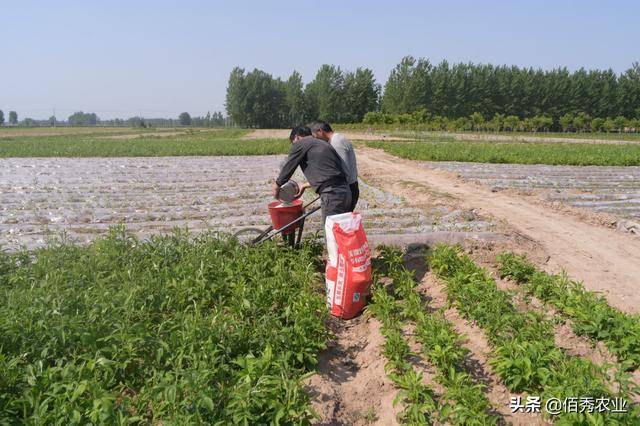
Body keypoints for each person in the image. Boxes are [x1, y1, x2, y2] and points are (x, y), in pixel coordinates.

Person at [274, 125, 352, 225]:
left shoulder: (301, 143)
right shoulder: (322, 144)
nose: (294, 146)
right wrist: (305, 185)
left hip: (332, 194)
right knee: (343, 231)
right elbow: (328, 173)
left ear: (296, 137)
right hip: (345, 192)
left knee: (332, 232)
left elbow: (289, 166)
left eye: (293, 143)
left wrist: (277, 185)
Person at [310, 121, 359, 211]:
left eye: (315, 136)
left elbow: (344, 171)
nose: (315, 139)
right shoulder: (335, 140)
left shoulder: (337, 143)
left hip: (348, 189)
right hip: (346, 188)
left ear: (320, 131)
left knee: (341, 221)